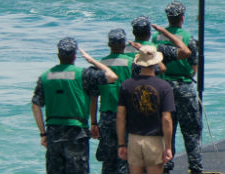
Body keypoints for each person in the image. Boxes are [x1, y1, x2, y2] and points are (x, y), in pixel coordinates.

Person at [31, 37, 119, 174]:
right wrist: (91, 60)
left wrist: (43, 133)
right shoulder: (83, 74)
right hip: (77, 132)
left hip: (54, 132)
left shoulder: (45, 76)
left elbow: (36, 105)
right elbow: (112, 76)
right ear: (74, 56)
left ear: (58, 55)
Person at [154, 1, 202, 173]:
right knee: (191, 131)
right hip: (184, 86)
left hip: (163, 87)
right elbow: (194, 67)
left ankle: (166, 166)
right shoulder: (188, 38)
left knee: (166, 131)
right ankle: (195, 167)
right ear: (182, 18)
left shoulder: (155, 38)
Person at [117, 45, 175, 174]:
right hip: (154, 141)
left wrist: (121, 144)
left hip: (134, 139)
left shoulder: (127, 85)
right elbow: (167, 119)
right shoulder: (164, 87)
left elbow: (120, 116)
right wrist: (168, 147)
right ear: (155, 63)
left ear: (139, 63)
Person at [91, 29, 134, 174]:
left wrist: (93, 122)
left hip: (106, 117)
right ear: (124, 44)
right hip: (127, 116)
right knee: (126, 158)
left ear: (109, 44)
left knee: (108, 161)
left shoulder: (100, 65)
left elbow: (94, 96)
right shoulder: (132, 63)